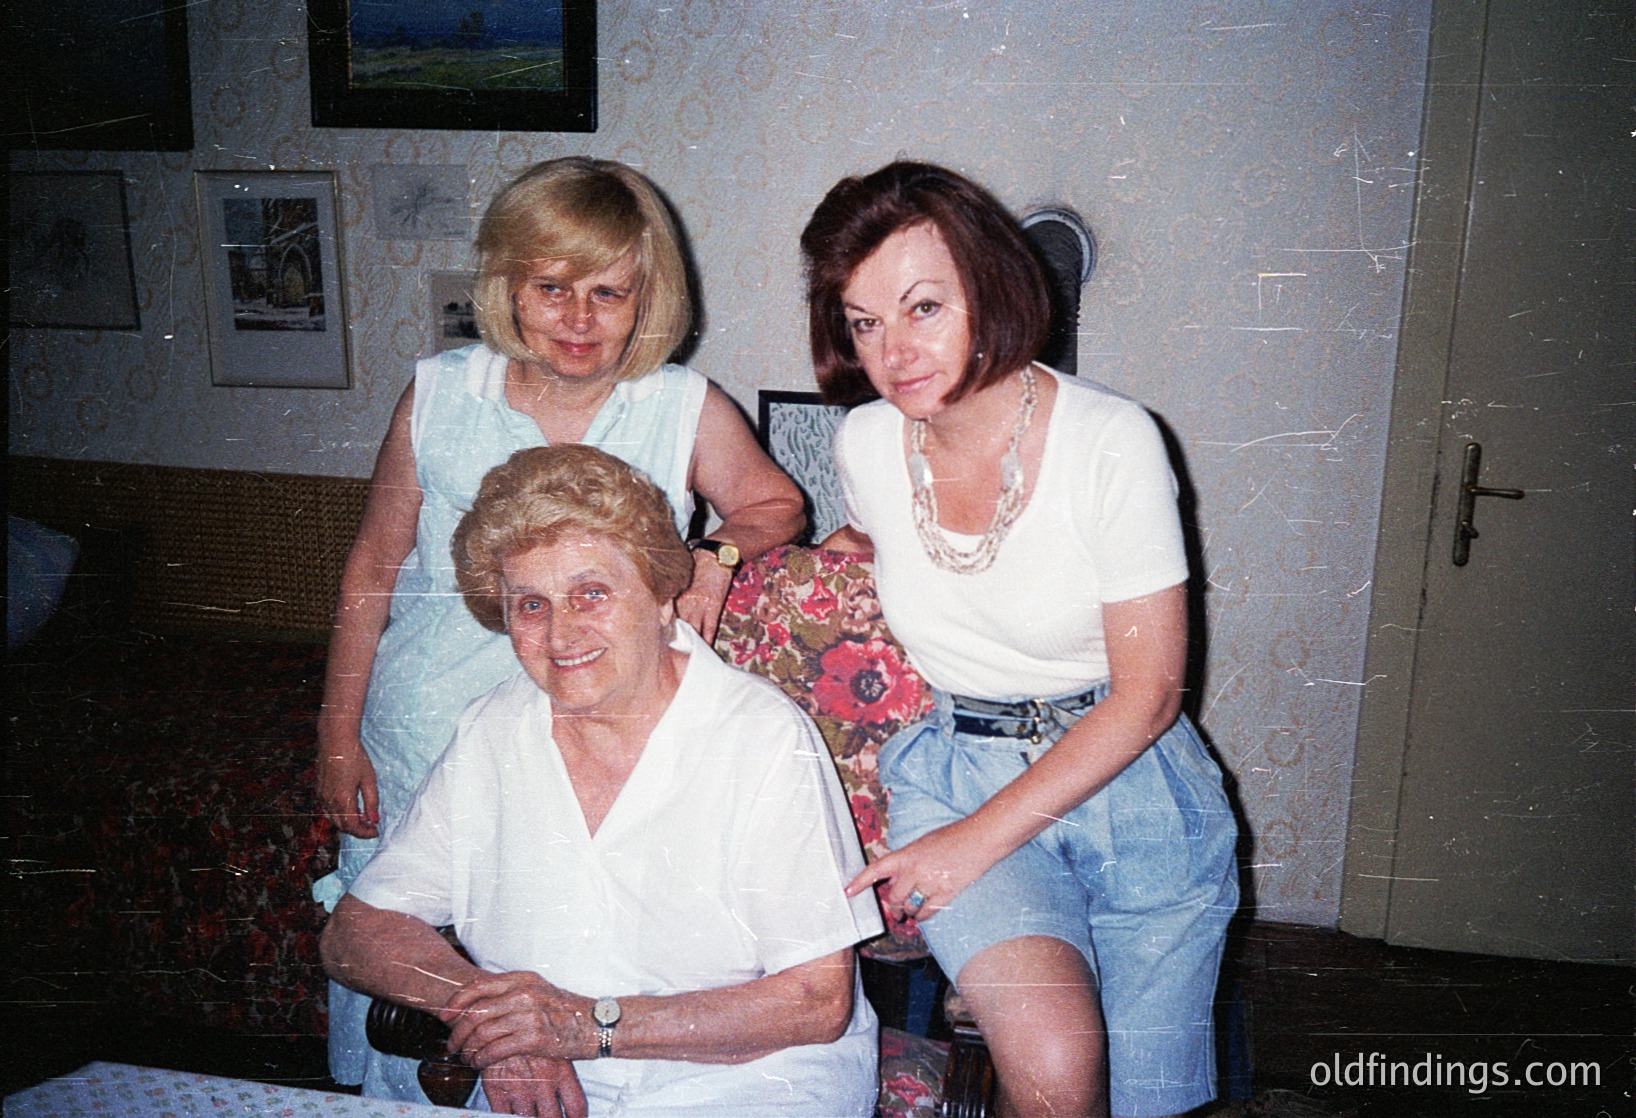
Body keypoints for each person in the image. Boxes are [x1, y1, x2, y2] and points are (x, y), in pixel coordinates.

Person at [313, 157, 804, 1092]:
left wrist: (714, 557)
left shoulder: (677, 406)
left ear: (648, 296)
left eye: (609, 293)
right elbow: (372, 570)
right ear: (507, 287)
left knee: (576, 936)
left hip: (587, 745)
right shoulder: (440, 395)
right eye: (553, 288)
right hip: (421, 734)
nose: (580, 320)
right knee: (401, 978)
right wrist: (336, 734)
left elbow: (775, 504)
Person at [801, 161, 1238, 1118]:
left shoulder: (1113, 440)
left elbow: (1151, 694)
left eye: (922, 307)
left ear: (989, 287)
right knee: (1053, 1063)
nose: (894, 351)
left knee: (1151, 1103)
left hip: (1132, 778)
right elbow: (892, 542)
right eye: (864, 322)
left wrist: (965, 852)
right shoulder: (868, 443)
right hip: (960, 773)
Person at [321, 445, 884, 1116]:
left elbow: (816, 1001)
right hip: (542, 1087)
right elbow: (354, 931)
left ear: (660, 593)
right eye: (531, 605)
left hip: (747, 1087)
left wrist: (587, 1026)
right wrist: (502, 1021)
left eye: (591, 593)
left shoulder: (759, 736)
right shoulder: (494, 731)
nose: (562, 634)